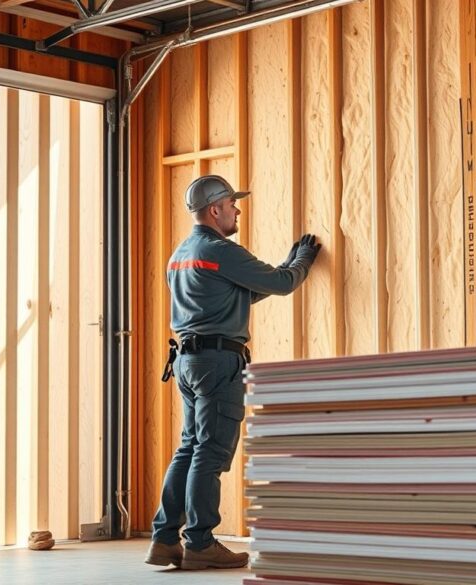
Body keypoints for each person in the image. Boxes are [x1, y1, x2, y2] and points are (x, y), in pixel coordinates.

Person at [145, 174, 321, 570]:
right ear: (215, 209)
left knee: (189, 448)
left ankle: (164, 539)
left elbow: (239, 292)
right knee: (210, 452)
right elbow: (280, 283)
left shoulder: (182, 253)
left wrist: (285, 268)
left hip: (187, 362)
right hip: (219, 363)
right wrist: (302, 259)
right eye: (232, 204)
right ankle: (201, 543)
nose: (237, 209)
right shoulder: (221, 250)